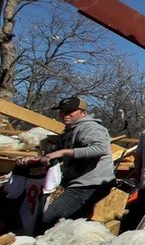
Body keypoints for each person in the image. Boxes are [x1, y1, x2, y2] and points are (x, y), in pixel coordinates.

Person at [17, 96, 114, 230]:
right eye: (62, 111)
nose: (65, 114)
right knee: (67, 223)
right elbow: (54, 152)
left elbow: (100, 148)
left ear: (83, 113)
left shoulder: (90, 128)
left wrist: (63, 153)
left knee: (50, 219)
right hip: (78, 182)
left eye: (70, 111)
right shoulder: (70, 130)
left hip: (90, 184)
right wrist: (35, 160)